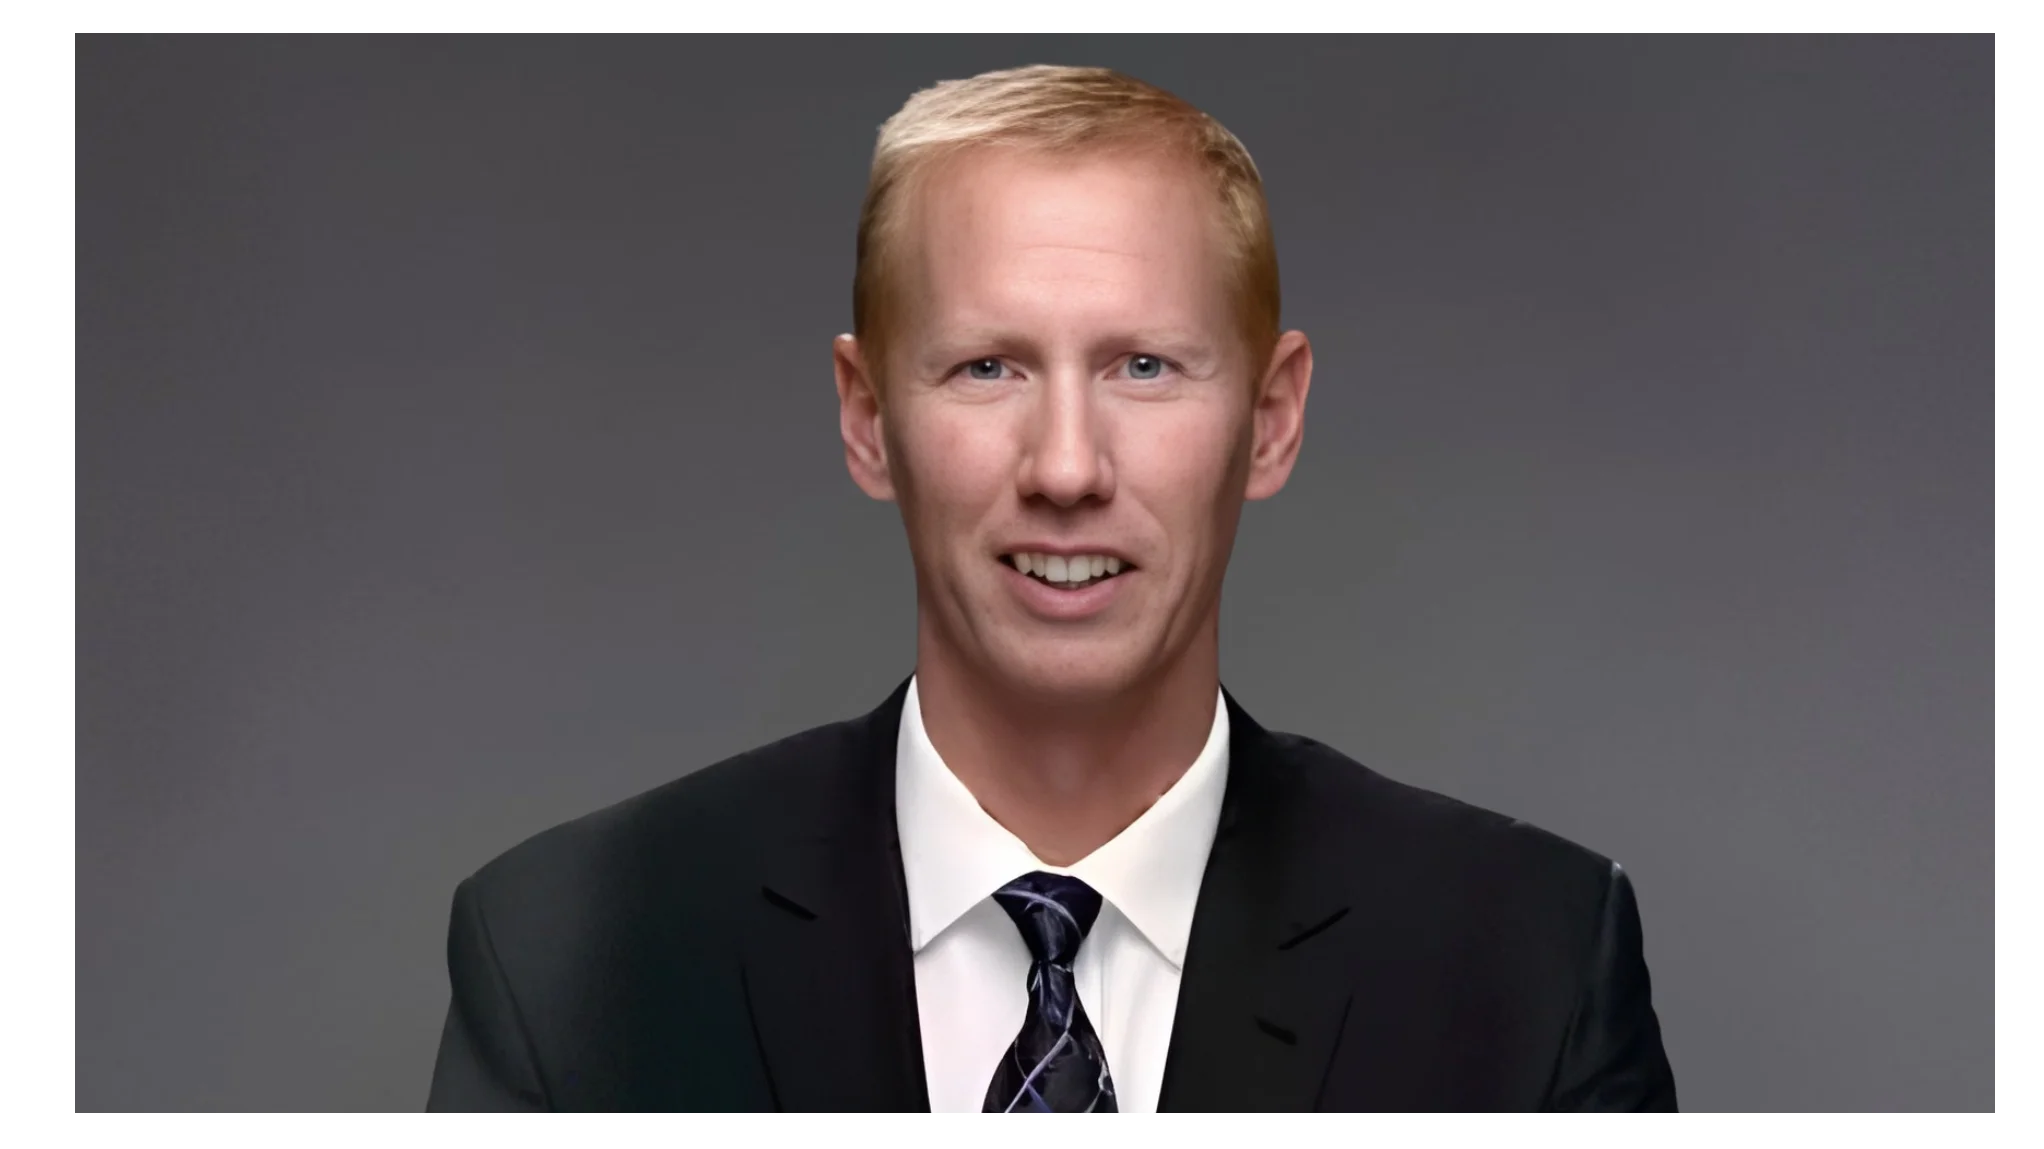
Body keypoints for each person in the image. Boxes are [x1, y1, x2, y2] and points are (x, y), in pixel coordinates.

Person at [423, 64, 1679, 1120]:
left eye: (1142, 365)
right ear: (867, 421)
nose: (1066, 467)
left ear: (1272, 418)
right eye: (986, 368)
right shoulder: (570, 957)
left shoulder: (1528, 965)